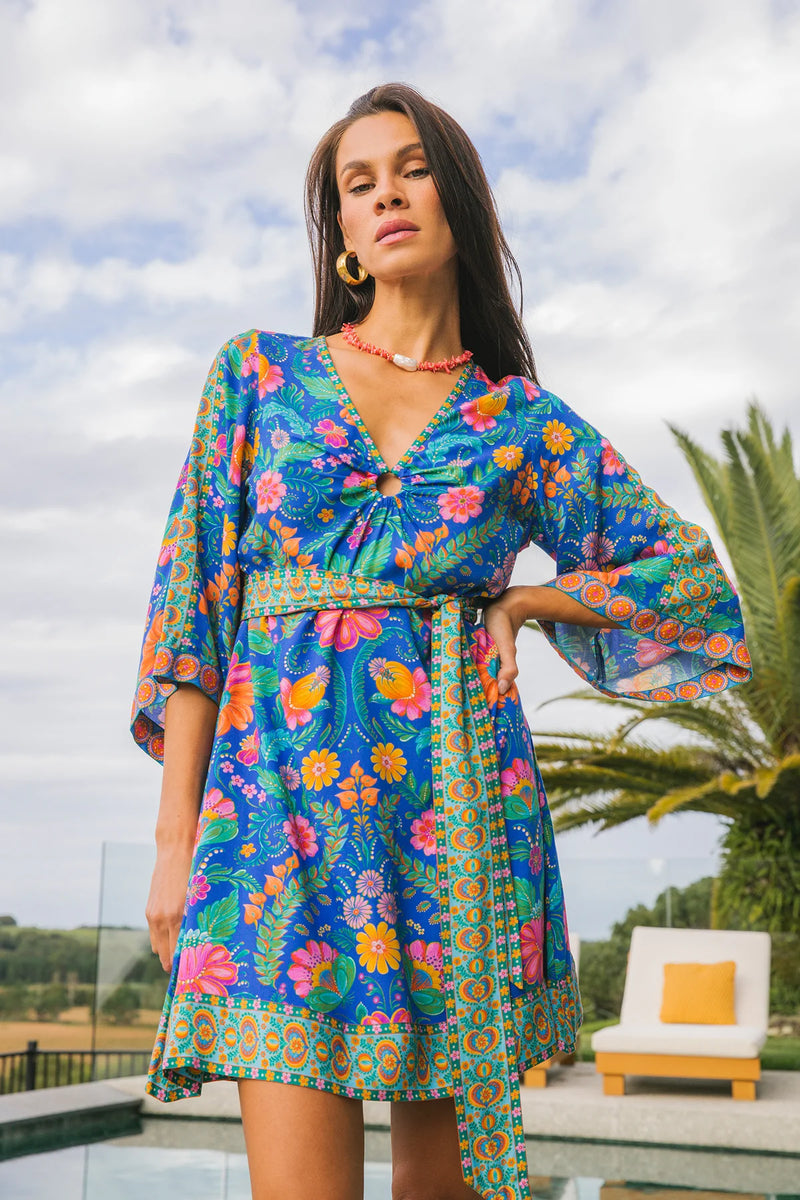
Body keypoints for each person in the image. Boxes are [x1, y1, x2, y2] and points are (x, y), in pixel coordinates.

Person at [131, 82, 751, 1200]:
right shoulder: (259, 377)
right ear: (344, 237)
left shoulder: (524, 423)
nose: (385, 196)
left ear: (458, 195)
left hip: (458, 822)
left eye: (409, 169)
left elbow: (689, 583)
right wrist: (174, 835)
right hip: (274, 828)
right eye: (355, 185)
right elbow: (193, 606)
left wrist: (523, 604)